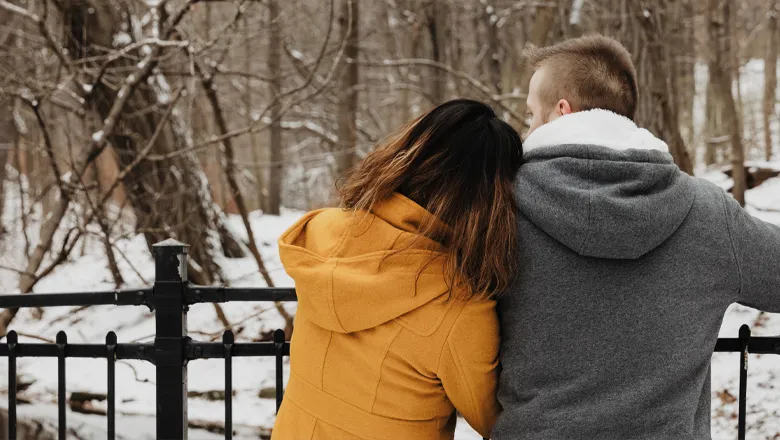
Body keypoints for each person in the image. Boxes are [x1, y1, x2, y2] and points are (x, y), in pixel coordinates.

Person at [494, 34, 780, 440]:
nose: (526, 131)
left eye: (530, 116)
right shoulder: (708, 215)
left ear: (561, 112)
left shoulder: (498, 214)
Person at [272, 99, 522, 440]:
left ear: (410, 152)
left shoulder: (323, 234)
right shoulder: (457, 305)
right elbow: (498, 419)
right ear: (494, 202)